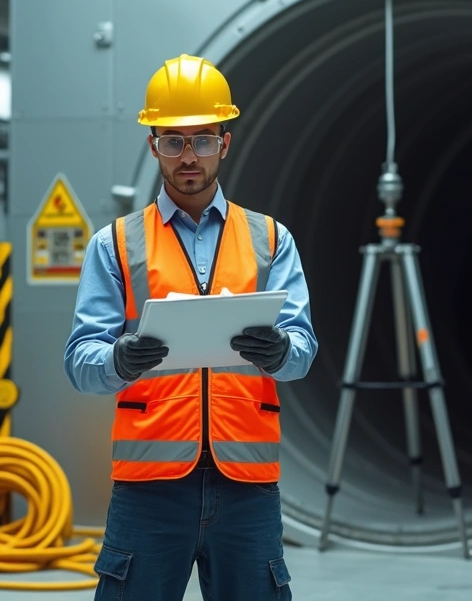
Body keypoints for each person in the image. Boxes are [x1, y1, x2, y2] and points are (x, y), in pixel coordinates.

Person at [63, 54, 319, 601]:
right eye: (174, 141)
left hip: (247, 488)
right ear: (152, 143)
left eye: (202, 140)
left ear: (225, 143)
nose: (188, 157)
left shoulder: (271, 240)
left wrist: (278, 351)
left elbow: (302, 353)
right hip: (148, 491)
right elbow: (80, 361)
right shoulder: (115, 244)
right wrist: (117, 360)